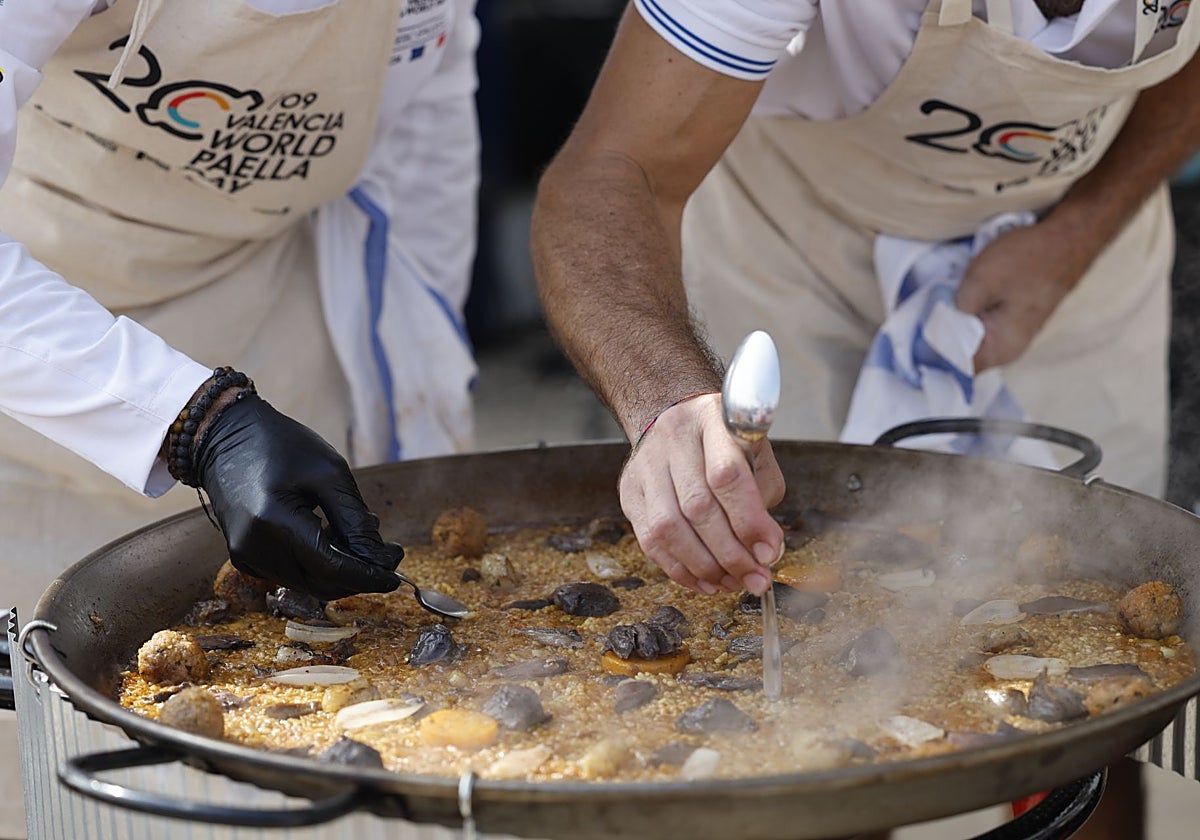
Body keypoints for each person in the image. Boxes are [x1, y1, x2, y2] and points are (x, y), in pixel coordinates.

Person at [531, 1, 1198, 838]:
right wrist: (668, 397)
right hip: (798, 247)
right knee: (811, 705)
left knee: (1102, 673)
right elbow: (610, 166)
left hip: (1077, 234)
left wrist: (1078, 234)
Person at [0, 1, 480, 836]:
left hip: (269, 296)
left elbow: (421, 119)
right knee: (61, 757)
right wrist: (194, 422)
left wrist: (414, 397)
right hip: (35, 328)